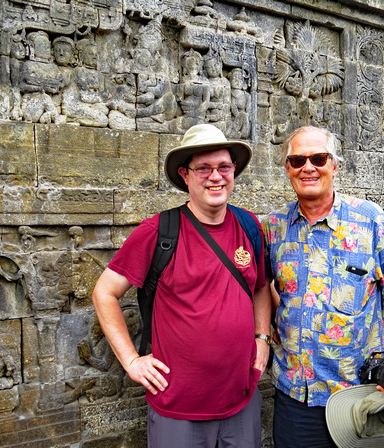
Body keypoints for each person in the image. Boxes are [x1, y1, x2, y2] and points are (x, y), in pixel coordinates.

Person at [92, 124, 272, 447]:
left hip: (241, 402)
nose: (215, 176)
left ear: (233, 171)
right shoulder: (159, 233)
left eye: (223, 167)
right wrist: (132, 361)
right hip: (178, 410)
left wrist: (262, 337)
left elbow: (260, 287)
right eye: (203, 168)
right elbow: (104, 293)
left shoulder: (249, 226)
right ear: (185, 175)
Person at [262, 126, 384, 448]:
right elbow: (262, 288)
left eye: (319, 158)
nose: (308, 167)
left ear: (334, 166)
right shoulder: (273, 227)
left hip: (360, 392)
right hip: (297, 394)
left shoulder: (369, 220)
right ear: (287, 169)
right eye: (297, 160)